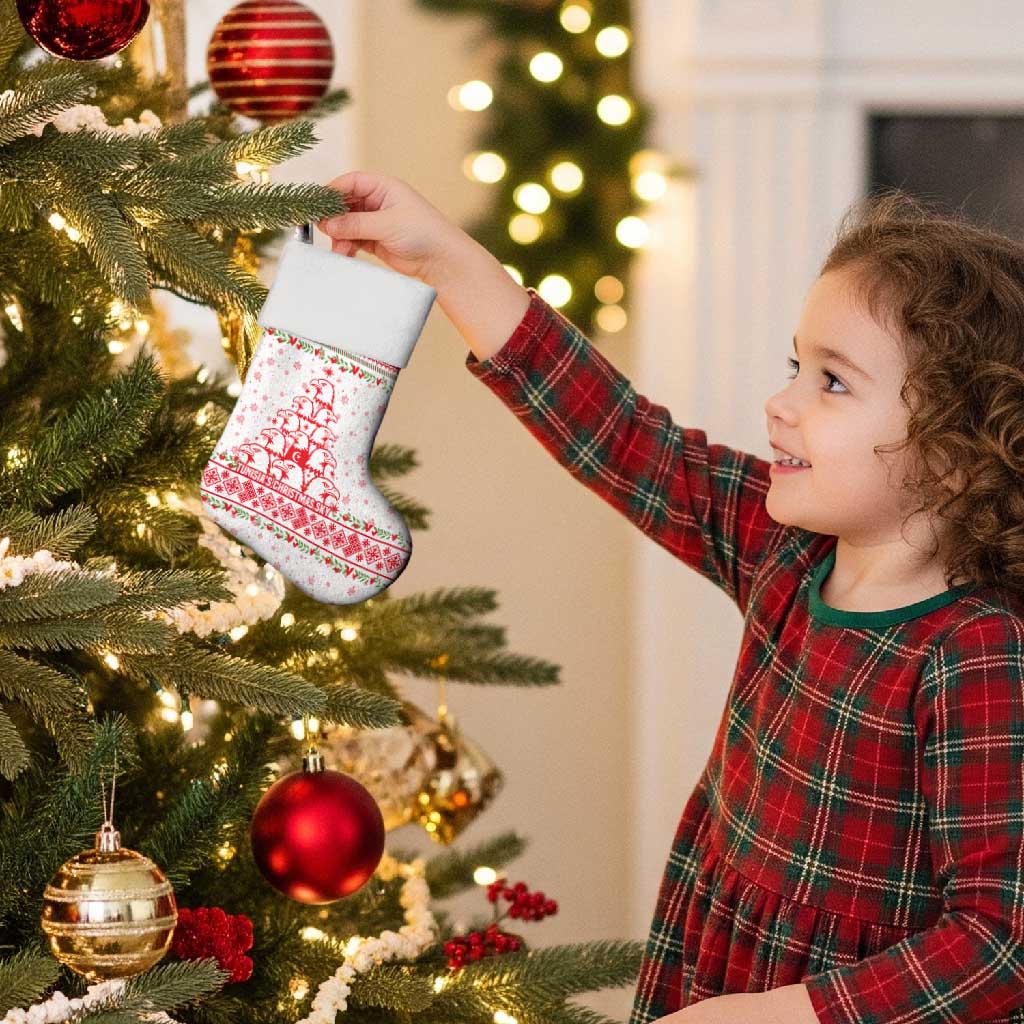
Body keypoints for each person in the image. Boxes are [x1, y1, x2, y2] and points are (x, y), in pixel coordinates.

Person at [317, 174, 1024, 1024]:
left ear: (956, 454)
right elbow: (622, 436)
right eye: (797, 367)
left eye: (832, 383)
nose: (782, 403)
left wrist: (779, 1016)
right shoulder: (786, 552)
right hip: (714, 964)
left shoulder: (978, 652)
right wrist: (451, 261)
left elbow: (998, 941)